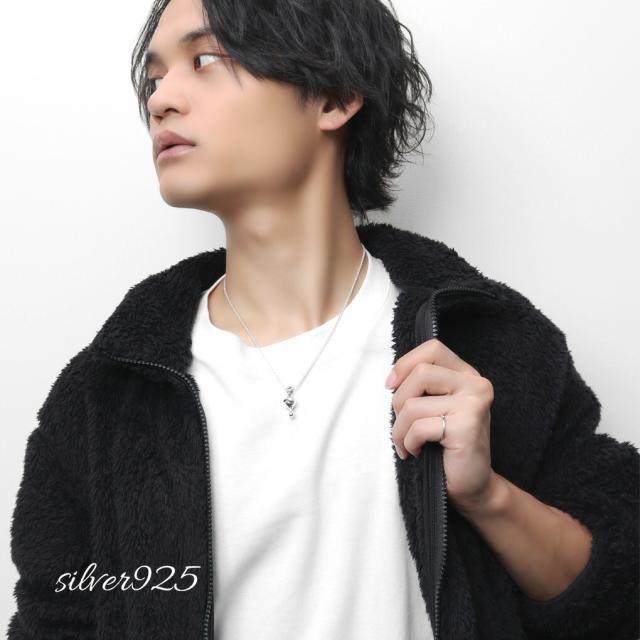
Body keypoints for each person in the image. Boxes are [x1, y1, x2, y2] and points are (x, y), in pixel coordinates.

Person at [8, 0, 638, 638]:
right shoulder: (109, 392)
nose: (161, 100)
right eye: (154, 77)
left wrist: (488, 496)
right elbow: (55, 622)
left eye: (205, 60)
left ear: (334, 97)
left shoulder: (484, 340)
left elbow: (619, 588)